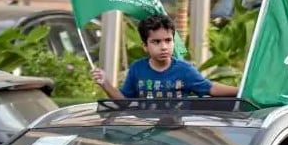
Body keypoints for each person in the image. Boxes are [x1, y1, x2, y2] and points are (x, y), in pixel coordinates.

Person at [91, 14, 239, 99]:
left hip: (177, 132)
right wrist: (105, 83)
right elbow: (123, 101)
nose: (163, 47)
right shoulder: (137, 69)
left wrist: (242, 91)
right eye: (156, 42)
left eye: (168, 41)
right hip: (144, 130)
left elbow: (211, 88)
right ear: (145, 46)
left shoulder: (184, 70)